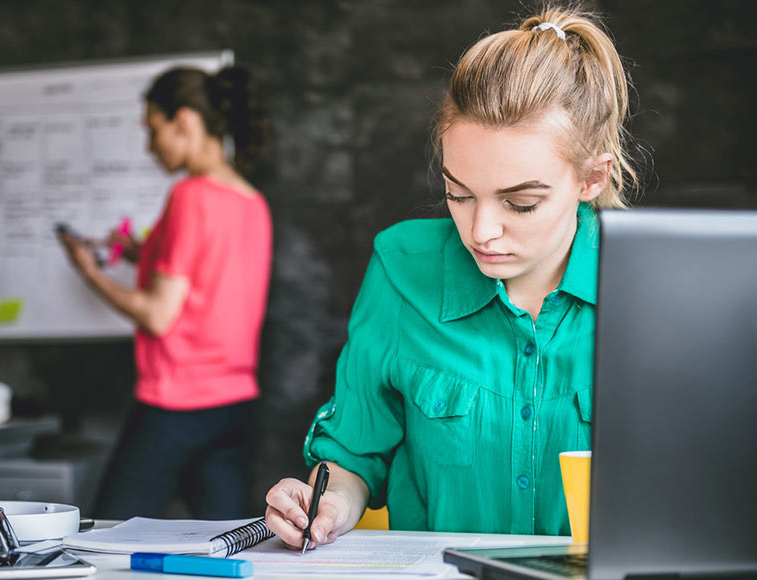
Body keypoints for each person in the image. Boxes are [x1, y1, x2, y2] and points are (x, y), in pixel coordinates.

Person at [265, 5, 640, 548]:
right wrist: (326, 504)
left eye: (521, 202)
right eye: (459, 194)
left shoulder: (649, 288)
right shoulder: (401, 267)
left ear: (591, 178)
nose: (481, 231)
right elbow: (353, 454)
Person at [59, 64, 271, 519]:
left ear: (186, 122)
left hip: (177, 404)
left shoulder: (190, 196)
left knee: (106, 537)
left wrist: (89, 273)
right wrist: (141, 253)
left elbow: (158, 314)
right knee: (226, 542)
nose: (149, 146)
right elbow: (209, 279)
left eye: (154, 130)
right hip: (234, 405)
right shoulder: (253, 203)